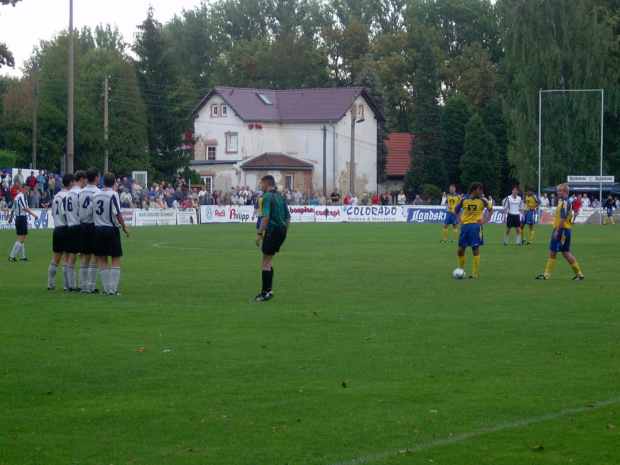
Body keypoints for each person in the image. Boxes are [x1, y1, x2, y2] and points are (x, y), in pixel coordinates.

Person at [536, 184, 584, 281]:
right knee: (565, 252)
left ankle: (546, 275)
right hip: (565, 230)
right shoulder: (563, 201)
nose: (558, 193)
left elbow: (563, 218)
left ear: (565, 192)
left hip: (561, 230)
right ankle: (579, 274)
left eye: (560, 191)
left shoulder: (565, 203)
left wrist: (557, 231)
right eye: (558, 191)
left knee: (554, 252)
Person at [255, 175, 290, 302]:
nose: (260, 186)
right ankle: (269, 291)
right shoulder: (280, 197)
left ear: (266, 183)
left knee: (265, 262)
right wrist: (285, 232)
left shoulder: (267, 197)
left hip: (272, 231)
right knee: (269, 260)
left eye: (261, 183)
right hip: (281, 231)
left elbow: (265, 217)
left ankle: (265, 293)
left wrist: (259, 234)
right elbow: (288, 217)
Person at [94, 173, 130, 296]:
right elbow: (117, 213)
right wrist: (124, 227)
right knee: (115, 258)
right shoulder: (113, 194)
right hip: (110, 229)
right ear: (114, 182)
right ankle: (113, 290)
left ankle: (106, 289)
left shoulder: (96, 194)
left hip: (98, 229)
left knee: (102, 259)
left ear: (103, 181)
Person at [455, 182, 492, 279]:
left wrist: (485, 220)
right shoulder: (464, 200)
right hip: (465, 227)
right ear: (474, 190)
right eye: (480, 189)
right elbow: (456, 210)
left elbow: (491, 210)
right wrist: (460, 220)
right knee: (460, 250)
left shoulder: (483, 201)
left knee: (475, 248)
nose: (481, 192)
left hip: (476, 227)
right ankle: (461, 269)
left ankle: (475, 273)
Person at [48, 174, 73, 291]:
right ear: (71, 183)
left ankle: (50, 284)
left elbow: (53, 213)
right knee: (67, 258)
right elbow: (66, 214)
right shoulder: (67, 196)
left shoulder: (56, 196)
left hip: (57, 228)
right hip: (65, 228)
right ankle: (66, 285)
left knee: (55, 258)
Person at [78, 168, 101, 293]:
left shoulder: (80, 192)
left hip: (83, 226)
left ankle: (83, 286)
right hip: (93, 225)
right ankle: (91, 286)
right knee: (94, 256)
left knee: (84, 257)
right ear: (96, 178)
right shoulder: (98, 192)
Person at [63, 171, 86, 291]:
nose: (86, 182)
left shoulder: (68, 194)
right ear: (81, 179)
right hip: (78, 225)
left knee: (71, 256)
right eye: (85, 180)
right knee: (82, 256)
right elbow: (81, 211)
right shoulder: (80, 193)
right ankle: (81, 285)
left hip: (69, 225)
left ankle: (69, 285)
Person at [8, 181, 39, 262]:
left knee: (21, 237)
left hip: (18, 218)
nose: (27, 190)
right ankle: (12, 256)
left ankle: (23, 257)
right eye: (26, 189)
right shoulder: (21, 196)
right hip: (21, 218)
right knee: (22, 238)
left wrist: (11, 218)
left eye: (28, 189)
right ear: (22, 188)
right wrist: (34, 215)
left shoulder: (17, 197)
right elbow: (25, 208)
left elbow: (13, 208)